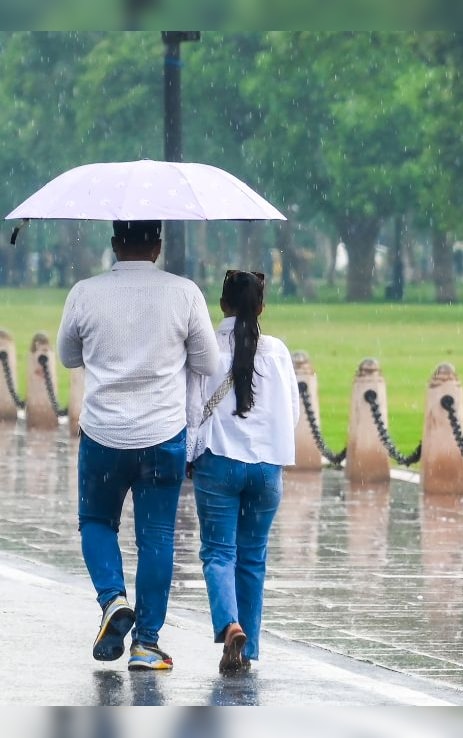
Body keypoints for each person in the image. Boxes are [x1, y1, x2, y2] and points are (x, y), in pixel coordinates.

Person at [58, 219, 221, 671]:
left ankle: (112, 599)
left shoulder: (84, 293)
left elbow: (68, 355)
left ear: (114, 244)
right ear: (157, 246)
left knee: (95, 521)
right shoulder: (184, 292)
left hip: (103, 435)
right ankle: (147, 643)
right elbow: (208, 361)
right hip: (162, 436)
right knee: (156, 538)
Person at [186, 270, 300, 675]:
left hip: (219, 461)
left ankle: (229, 623)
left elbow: (192, 407)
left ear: (222, 305)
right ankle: (247, 648)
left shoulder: (206, 349)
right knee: (253, 558)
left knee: (219, 552)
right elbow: (293, 412)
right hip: (267, 468)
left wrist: (187, 455)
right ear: (262, 306)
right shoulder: (278, 351)